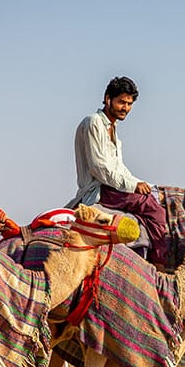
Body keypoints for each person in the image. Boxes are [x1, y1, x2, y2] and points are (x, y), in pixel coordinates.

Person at [67, 76, 169, 266]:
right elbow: (99, 168)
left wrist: (145, 185)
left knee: (163, 196)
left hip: (112, 186)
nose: (125, 108)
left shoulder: (113, 129)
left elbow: (119, 168)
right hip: (100, 189)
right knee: (155, 210)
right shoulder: (94, 123)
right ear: (107, 99)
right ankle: (159, 265)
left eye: (129, 104)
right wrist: (133, 186)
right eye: (121, 102)